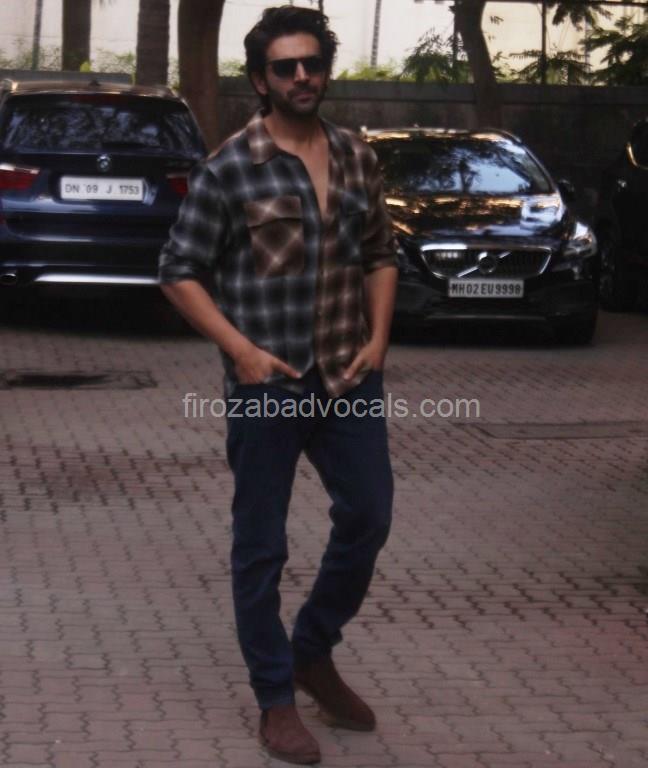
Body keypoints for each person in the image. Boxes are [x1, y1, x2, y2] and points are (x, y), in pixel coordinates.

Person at [159, 5, 397, 764]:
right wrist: (240, 351)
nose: (302, 76)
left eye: (312, 64)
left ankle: (312, 650)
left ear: (326, 71)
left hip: (347, 376)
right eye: (285, 67)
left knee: (369, 516)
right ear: (261, 80)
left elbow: (380, 253)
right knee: (261, 545)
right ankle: (275, 699)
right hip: (268, 384)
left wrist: (379, 339)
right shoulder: (231, 167)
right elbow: (178, 270)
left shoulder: (356, 156)